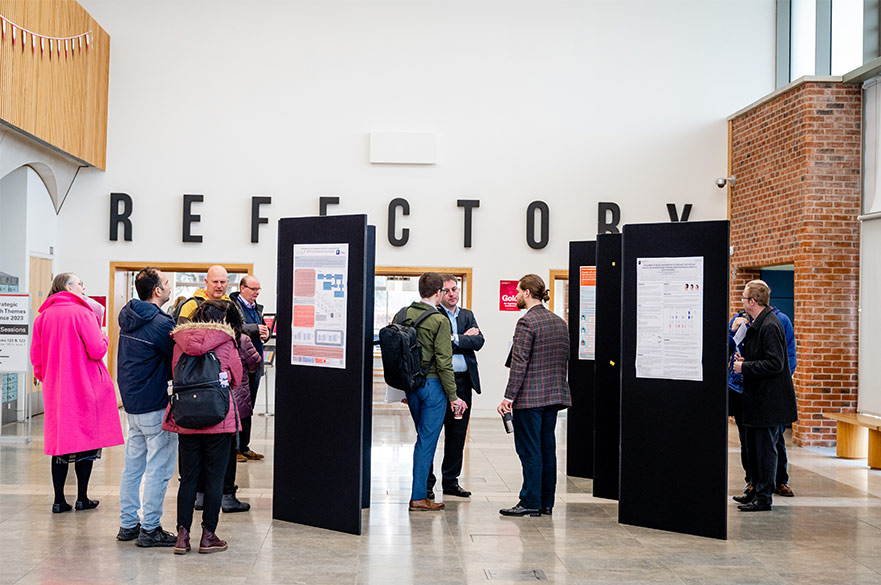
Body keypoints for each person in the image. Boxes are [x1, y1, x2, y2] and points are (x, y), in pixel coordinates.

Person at [30, 273, 124, 514]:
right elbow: (96, 349)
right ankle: (82, 497)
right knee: (86, 442)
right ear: (68, 287)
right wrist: (105, 336)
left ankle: (59, 500)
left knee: (60, 442)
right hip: (85, 386)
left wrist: (47, 378)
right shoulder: (84, 313)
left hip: (57, 388)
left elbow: (37, 357)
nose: (84, 287)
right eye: (81, 283)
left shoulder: (43, 317)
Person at [163, 299, 243, 554]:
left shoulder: (179, 341)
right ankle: (208, 536)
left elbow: (175, 373)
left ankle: (182, 536)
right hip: (218, 419)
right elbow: (238, 377)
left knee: (188, 479)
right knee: (215, 479)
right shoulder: (226, 341)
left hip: (186, 417)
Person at [497, 274, 570, 517]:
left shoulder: (526, 322)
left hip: (529, 399)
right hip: (553, 396)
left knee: (529, 451)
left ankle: (529, 501)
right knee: (547, 449)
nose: (516, 296)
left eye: (518, 291)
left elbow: (520, 363)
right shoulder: (560, 322)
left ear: (528, 293)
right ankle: (545, 502)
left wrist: (508, 397)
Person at [116, 267, 178, 547]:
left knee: (133, 466)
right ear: (157, 291)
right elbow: (179, 357)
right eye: (166, 282)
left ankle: (128, 524)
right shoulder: (161, 324)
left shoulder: (129, 317)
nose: (169, 286)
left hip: (132, 404)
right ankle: (150, 528)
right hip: (154, 404)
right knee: (159, 468)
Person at [732, 280, 798, 512]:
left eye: (743, 298)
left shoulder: (770, 325)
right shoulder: (758, 322)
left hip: (768, 401)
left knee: (765, 449)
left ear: (752, 301)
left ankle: (764, 498)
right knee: (754, 448)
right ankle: (756, 491)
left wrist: (745, 367)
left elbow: (775, 363)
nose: (741, 302)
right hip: (757, 399)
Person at [404, 272, 468, 512]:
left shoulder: (404, 314)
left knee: (422, 437)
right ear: (438, 292)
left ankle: (421, 491)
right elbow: (444, 362)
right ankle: (419, 496)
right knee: (426, 441)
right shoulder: (438, 320)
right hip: (432, 389)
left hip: (411, 387)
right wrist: (453, 396)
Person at [427, 274, 484, 499]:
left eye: (455, 290)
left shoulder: (467, 315)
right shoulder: (433, 314)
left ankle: (451, 482)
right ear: (439, 293)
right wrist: (460, 338)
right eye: (447, 290)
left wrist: (452, 338)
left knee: (457, 434)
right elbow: (436, 345)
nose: (452, 294)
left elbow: (479, 342)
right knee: (432, 433)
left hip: (463, 383)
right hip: (439, 382)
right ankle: (427, 485)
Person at [229, 274, 271, 462]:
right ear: (242, 288)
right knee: (238, 407)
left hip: (255, 363)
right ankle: (235, 448)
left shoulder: (256, 309)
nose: (256, 293)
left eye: (258, 289)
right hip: (240, 365)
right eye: (253, 289)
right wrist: (255, 328)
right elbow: (233, 328)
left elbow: (260, 332)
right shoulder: (233, 307)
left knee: (249, 407)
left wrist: (266, 333)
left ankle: (244, 446)